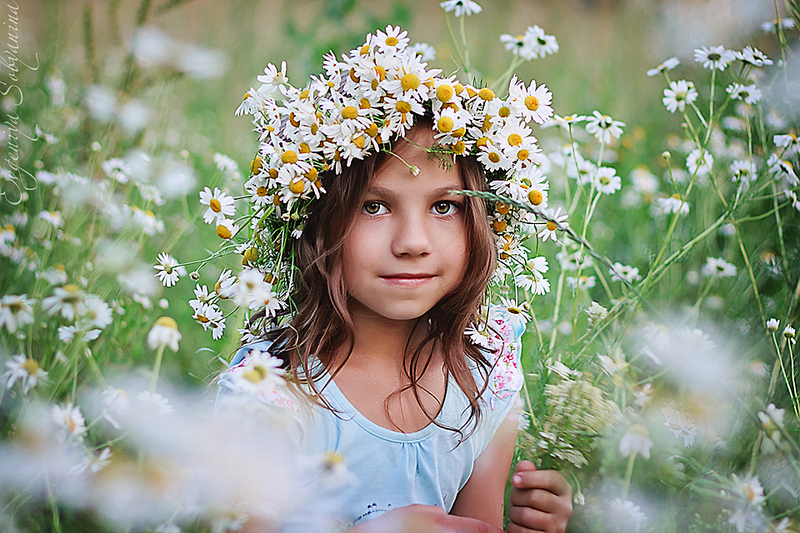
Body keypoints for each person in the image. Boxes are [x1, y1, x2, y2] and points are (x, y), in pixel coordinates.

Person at [219, 117, 573, 533]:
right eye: (374, 206)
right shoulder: (273, 394)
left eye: (444, 206)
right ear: (315, 219)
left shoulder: (483, 373)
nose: (412, 243)